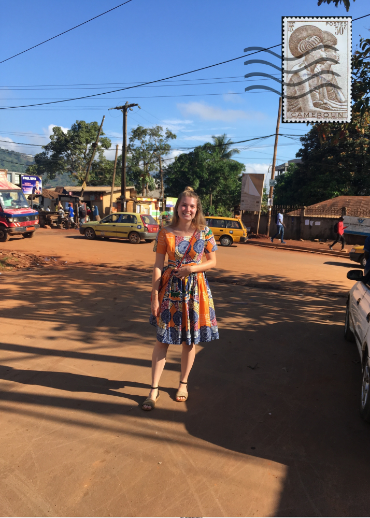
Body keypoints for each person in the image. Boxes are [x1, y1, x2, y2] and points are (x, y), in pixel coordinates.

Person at [142, 186, 219, 411]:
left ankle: (183, 384)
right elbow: (157, 267)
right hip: (170, 291)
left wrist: (192, 269)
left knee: (190, 341)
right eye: (184, 205)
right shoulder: (165, 232)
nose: (188, 209)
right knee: (162, 340)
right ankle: (154, 389)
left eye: (192, 206)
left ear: (197, 209)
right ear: (178, 207)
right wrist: (154, 298)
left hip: (195, 291)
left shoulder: (205, 232)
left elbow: (213, 261)